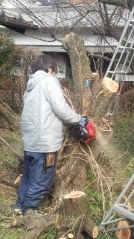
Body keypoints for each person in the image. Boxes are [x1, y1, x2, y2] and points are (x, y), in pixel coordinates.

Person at [14, 55, 83, 216]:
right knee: (42, 180)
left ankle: (19, 206)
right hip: (45, 141)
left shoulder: (31, 85)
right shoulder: (49, 81)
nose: (56, 74)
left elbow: (45, 111)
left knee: (29, 176)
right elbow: (60, 108)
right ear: (50, 69)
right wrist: (79, 119)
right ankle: (29, 212)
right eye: (55, 71)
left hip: (30, 140)